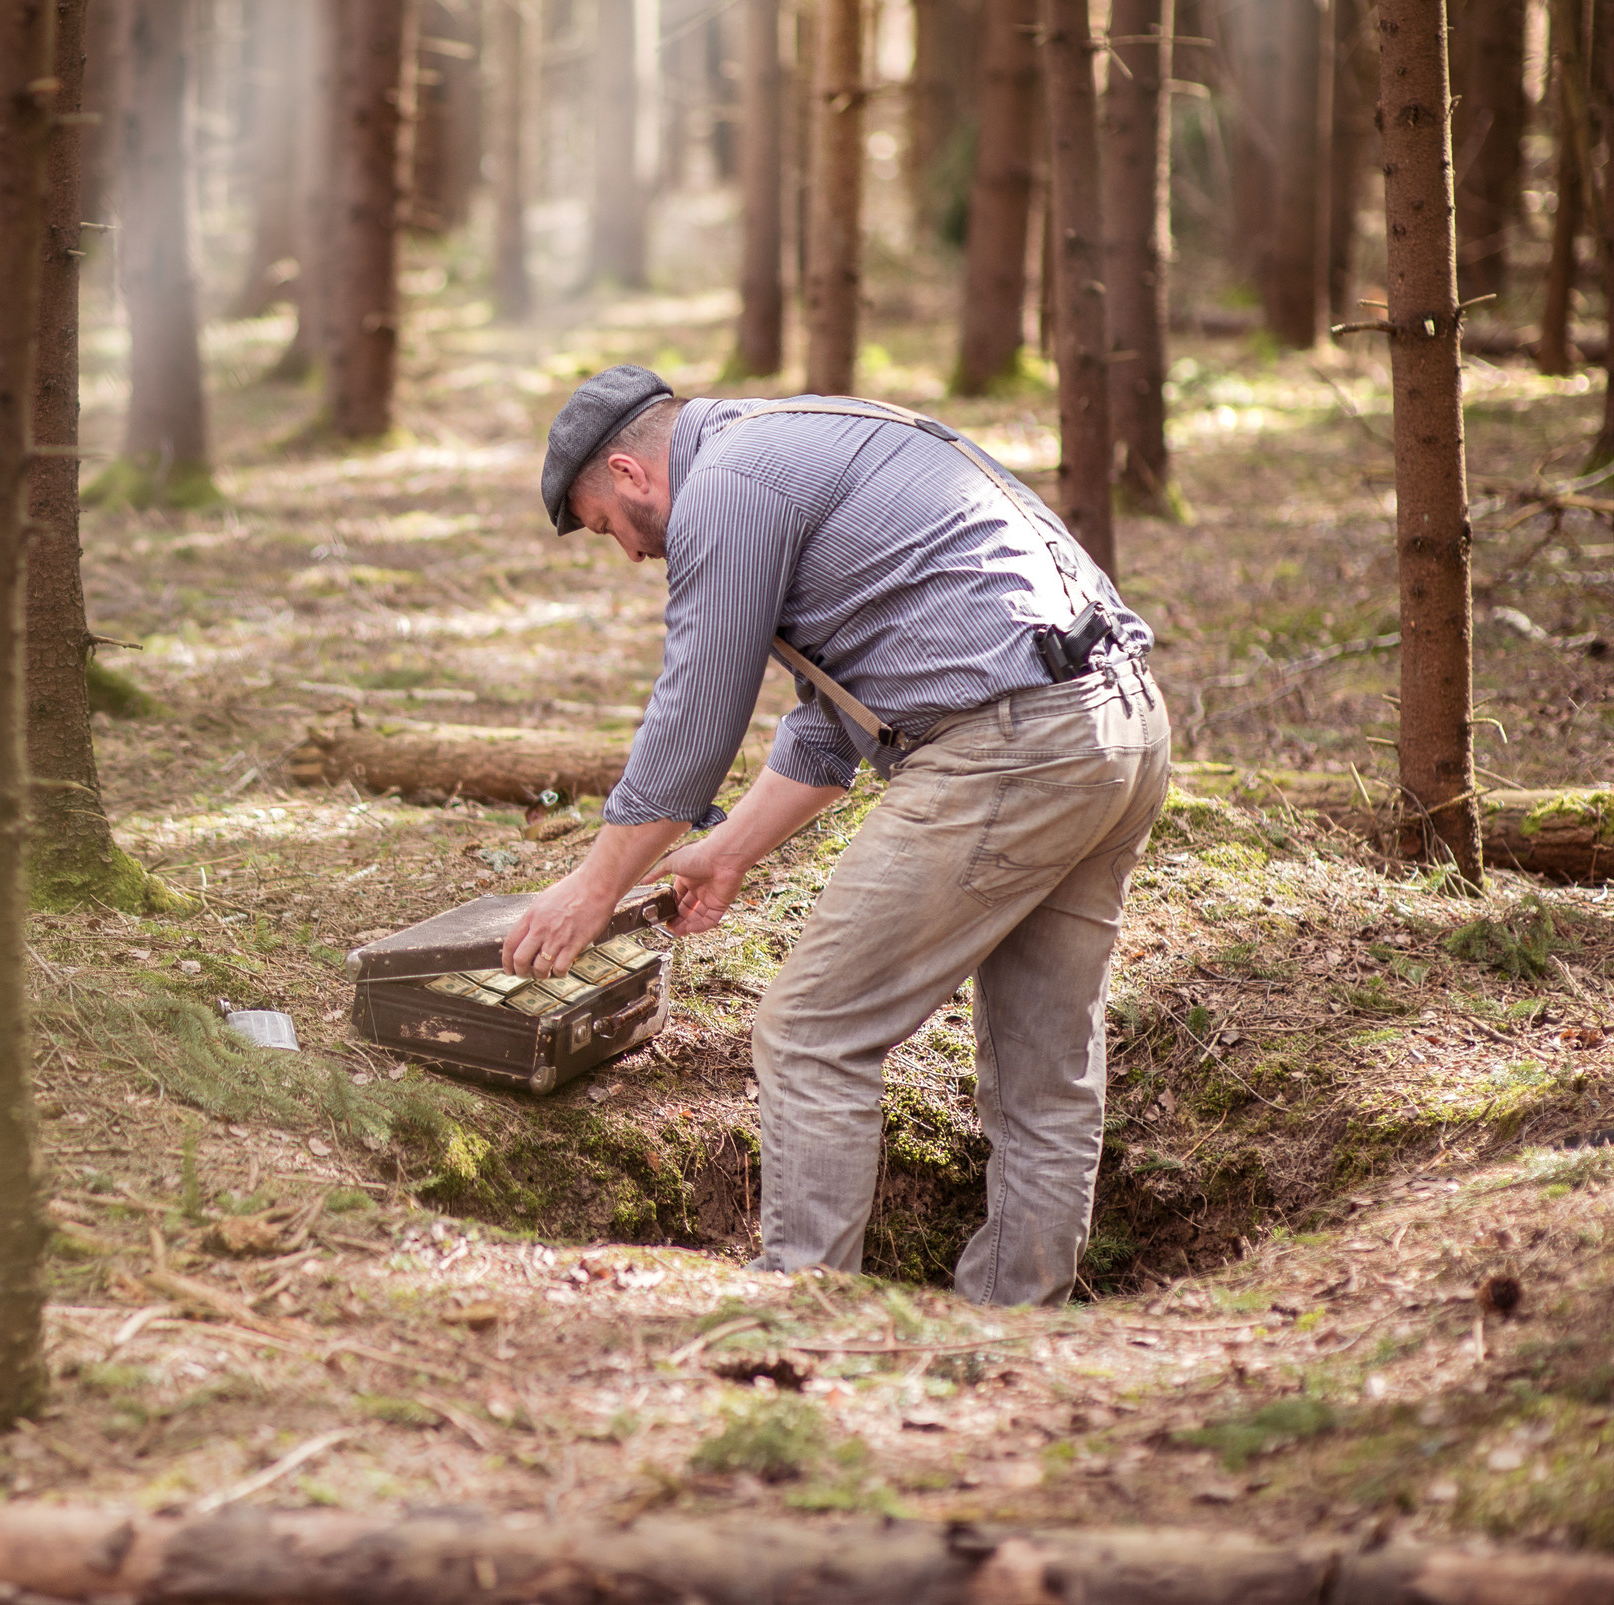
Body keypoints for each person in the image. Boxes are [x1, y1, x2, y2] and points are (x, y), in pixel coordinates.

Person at [501, 365, 1169, 1307]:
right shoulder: (805, 440)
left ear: (628, 470)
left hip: (1013, 749)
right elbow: (832, 721)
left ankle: (804, 1318)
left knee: (811, 1034)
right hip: (1119, 727)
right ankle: (1009, 1338)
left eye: (609, 526)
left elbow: (696, 717)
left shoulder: (728, 483)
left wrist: (593, 887)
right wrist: (729, 849)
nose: (632, 553)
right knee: (1043, 1078)